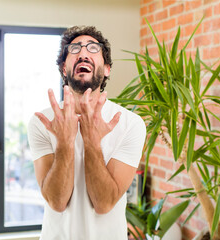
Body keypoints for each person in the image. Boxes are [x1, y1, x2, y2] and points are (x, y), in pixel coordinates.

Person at [28, 26, 146, 240]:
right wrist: (64, 143)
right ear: (64, 69)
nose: (83, 53)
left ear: (107, 68)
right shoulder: (42, 123)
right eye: (74, 49)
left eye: (93, 48)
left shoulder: (130, 124)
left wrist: (92, 140)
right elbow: (56, 202)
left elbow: (104, 203)